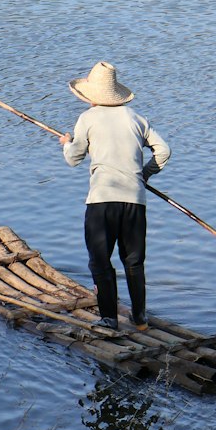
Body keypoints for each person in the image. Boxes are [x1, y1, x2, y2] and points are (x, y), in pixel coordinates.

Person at [59, 60, 170, 333]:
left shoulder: (88, 118)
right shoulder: (136, 118)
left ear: (90, 96)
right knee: (133, 261)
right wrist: (144, 175)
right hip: (135, 200)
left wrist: (66, 143)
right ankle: (140, 318)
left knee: (100, 260)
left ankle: (109, 318)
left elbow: (74, 158)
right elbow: (164, 150)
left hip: (102, 200)